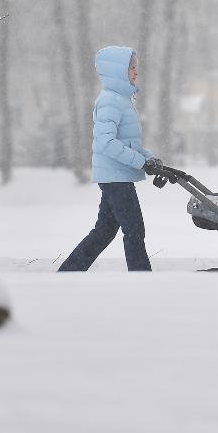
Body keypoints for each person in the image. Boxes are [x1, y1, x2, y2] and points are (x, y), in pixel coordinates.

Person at [58, 46, 162, 272]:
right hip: (115, 177)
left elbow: (128, 144)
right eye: (131, 68)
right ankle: (141, 276)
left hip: (117, 175)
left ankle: (69, 272)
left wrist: (150, 158)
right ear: (117, 71)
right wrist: (141, 162)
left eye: (136, 68)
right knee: (134, 229)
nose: (136, 72)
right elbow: (106, 143)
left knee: (105, 230)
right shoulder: (110, 101)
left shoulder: (121, 100)